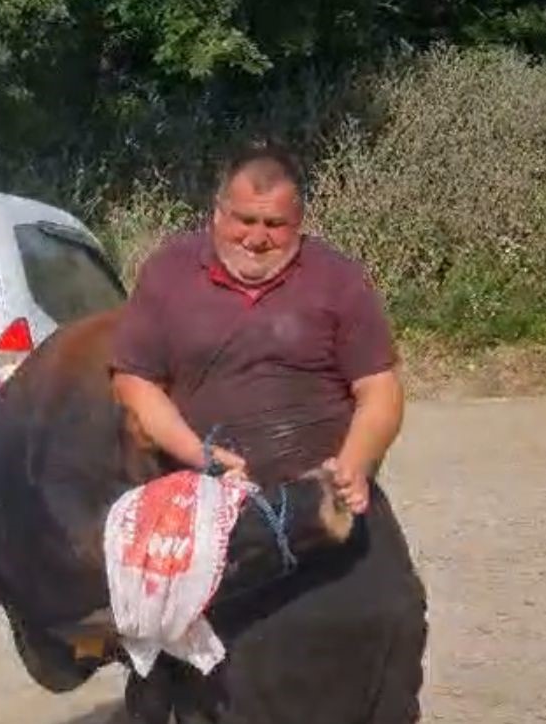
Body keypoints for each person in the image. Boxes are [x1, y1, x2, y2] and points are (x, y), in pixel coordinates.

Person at [109, 143, 427, 722]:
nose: (257, 238)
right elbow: (135, 382)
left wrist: (355, 462)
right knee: (227, 656)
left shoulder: (337, 278)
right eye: (244, 220)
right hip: (209, 499)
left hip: (326, 492)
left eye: (275, 224)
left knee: (394, 611)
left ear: (298, 222)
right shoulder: (169, 273)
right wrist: (197, 453)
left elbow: (379, 389)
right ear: (217, 214)